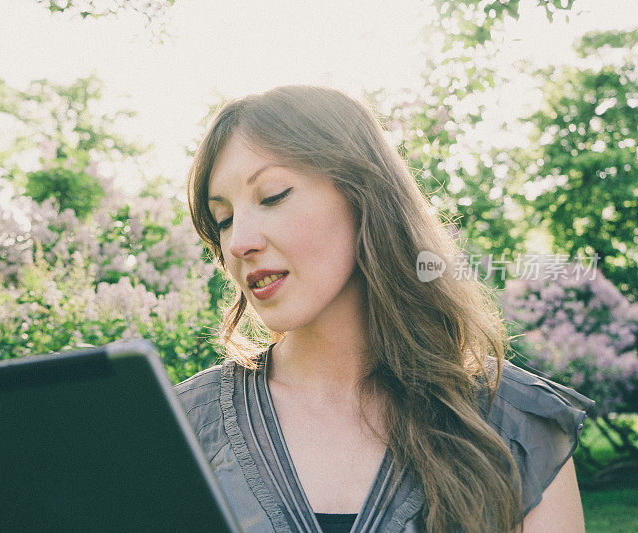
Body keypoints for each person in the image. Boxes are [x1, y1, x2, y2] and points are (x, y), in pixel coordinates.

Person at [174, 85, 593, 532]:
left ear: (363, 194)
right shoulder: (183, 428)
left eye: (273, 195)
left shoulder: (512, 423)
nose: (239, 242)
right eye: (223, 220)